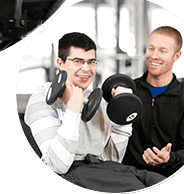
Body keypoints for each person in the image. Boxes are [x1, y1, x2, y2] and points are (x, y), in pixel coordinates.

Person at [24, 32, 166, 192]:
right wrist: (73, 110)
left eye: (91, 62)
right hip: (72, 174)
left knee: (156, 179)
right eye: (78, 61)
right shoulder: (42, 99)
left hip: (103, 169)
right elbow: (57, 166)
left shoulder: (96, 101)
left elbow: (112, 159)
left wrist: (123, 113)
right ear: (61, 63)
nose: (86, 69)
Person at [123, 26, 184, 176]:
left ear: (176, 55)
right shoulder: (129, 91)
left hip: (165, 177)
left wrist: (168, 158)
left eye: (162, 51)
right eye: (151, 48)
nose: (154, 56)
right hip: (128, 176)